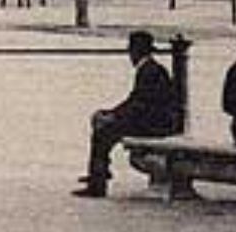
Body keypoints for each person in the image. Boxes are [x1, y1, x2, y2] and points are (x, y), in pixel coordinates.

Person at [73, 30, 177, 198]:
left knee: (103, 133)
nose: (130, 56)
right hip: (153, 120)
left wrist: (113, 116)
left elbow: (139, 104)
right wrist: (112, 113)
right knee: (105, 128)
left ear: (136, 51)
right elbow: (135, 101)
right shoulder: (151, 69)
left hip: (152, 124)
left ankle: (98, 182)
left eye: (131, 51)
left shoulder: (149, 71)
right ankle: (99, 173)